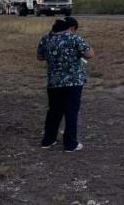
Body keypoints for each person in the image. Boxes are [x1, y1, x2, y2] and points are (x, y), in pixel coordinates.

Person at [37, 17, 95, 152]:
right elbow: (90, 54)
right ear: (72, 28)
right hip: (73, 82)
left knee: (53, 111)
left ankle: (48, 140)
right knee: (71, 112)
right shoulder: (74, 39)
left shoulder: (46, 39)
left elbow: (39, 57)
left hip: (54, 82)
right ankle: (70, 144)